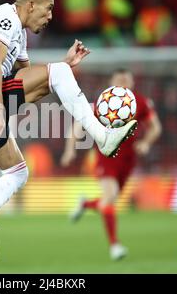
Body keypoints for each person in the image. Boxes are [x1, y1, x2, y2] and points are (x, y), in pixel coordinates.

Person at [0, 0, 137, 261]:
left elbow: (31, 82)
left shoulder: (21, 36)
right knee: (58, 74)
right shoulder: (6, 18)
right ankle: (102, 137)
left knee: (18, 172)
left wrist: (61, 67)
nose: (51, 16)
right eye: (48, 8)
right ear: (30, 5)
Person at [61, 68, 162, 260]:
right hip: (106, 155)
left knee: (110, 199)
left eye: (126, 80)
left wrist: (146, 143)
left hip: (129, 158)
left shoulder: (140, 102)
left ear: (132, 82)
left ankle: (84, 203)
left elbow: (156, 127)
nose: (123, 83)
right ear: (111, 82)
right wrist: (69, 149)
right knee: (110, 197)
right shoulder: (102, 102)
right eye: (119, 80)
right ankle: (115, 245)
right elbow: (78, 124)